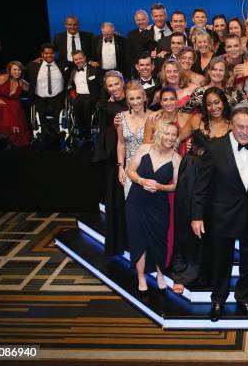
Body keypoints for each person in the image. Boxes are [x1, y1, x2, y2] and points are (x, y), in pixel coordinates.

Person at [191, 107, 248, 322]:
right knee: (221, 260)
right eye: (240, 127)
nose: (245, 131)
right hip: (221, 214)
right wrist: (197, 216)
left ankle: (244, 299)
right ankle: (218, 300)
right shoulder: (214, 148)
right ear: (231, 125)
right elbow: (201, 187)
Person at [171, 87, 232, 293]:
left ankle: (208, 272)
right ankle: (183, 271)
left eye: (217, 102)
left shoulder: (232, 126)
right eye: (209, 104)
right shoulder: (196, 120)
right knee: (187, 221)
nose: (214, 107)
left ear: (224, 102)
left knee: (210, 224)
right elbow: (175, 139)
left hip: (216, 179)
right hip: (191, 174)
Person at [126, 121, 181, 295]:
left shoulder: (176, 158)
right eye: (167, 133)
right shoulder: (145, 149)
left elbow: (177, 186)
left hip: (159, 205)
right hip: (136, 201)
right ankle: (141, 276)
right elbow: (131, 171)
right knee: (138, 239)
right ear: (159, 134)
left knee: (159, 240)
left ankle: (160, 274)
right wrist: (141, 181)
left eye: (173, 134)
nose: (170, 138)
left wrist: (160, 187)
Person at [94, 70, 129, 256]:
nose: (114, 88)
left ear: (123, 82)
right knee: (117, 199)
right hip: (114, 157)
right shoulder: (106, 106)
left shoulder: (133, 99)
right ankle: (118, 242)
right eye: (110, 85)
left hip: (134, 154)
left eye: (117, 83)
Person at [25, 43, 69, 138]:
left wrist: (90, 62)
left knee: (59, 111)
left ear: (54, 54)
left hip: (57, 95)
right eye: (46, 53)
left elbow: (78, 63)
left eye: (51, 53)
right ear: (42, 54)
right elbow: (19, 71)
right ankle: (43, 132)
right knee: (40, 112)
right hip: (39, 96)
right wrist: (0, 73)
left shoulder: (62, 64)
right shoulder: (33, 65)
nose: (49, 55)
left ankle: (58, 131)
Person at [117, 81, 149, 199]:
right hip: (129, 170)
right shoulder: (121, 117)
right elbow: (121, 143)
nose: (135, 102)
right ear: (127, 100)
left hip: (149, 168)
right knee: (132, 208)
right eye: (132, 99)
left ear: (144, 98)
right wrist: (120, 166)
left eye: (138, 98)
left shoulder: (154, 116)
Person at [67, 50, 102, 140]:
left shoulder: (94, 69)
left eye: (80, 58)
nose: (78, 61)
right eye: (76, 59)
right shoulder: (73, 70)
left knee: (87, 106)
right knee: (75, 105)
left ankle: (88, 131)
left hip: (91, 96)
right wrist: (72, 94)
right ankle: (81, 129)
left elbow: (101, 86)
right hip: (78, 96)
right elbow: (70, 85)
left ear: (85, 58)